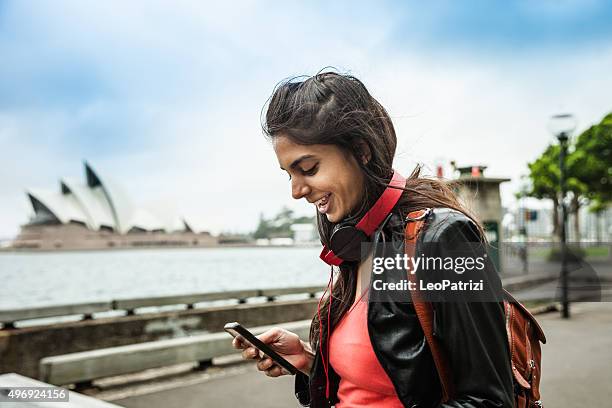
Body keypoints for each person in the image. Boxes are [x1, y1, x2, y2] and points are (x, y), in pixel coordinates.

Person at [232, 71, 514, 407]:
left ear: (361, 151)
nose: (296, 191)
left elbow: (491, 401)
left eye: (308, 168)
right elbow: (375, 387)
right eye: (289, 174)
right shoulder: (356, 242)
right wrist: (309, 363)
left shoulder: (443, 238)